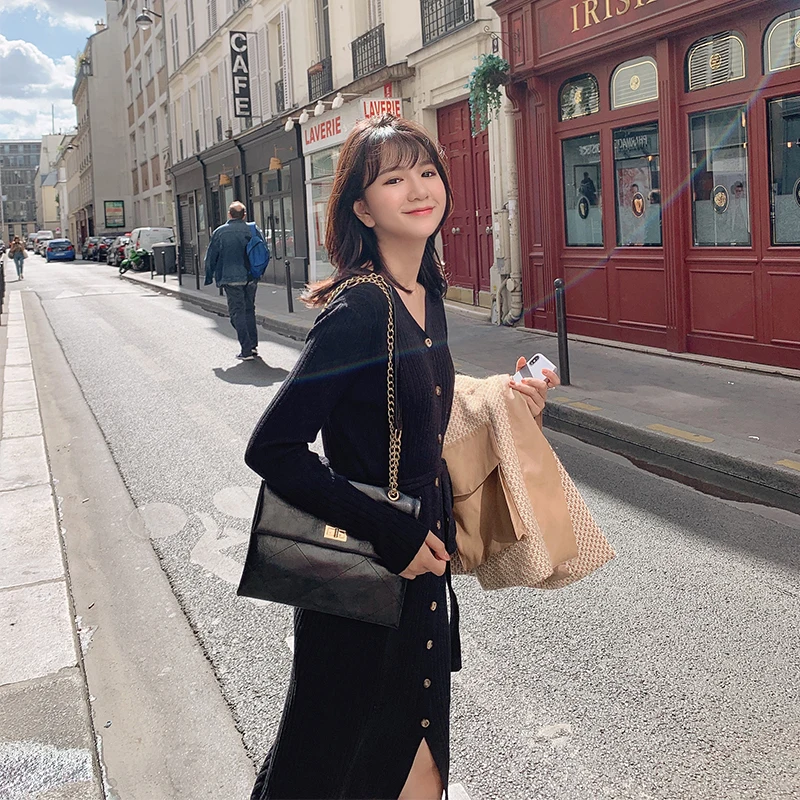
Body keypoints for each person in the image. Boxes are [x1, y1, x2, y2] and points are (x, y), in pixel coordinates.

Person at [243, 115, 557, 800]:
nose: (417, 189)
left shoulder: (426, 295)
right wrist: (391, 530)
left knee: (420, 775)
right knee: (326, 772)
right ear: (362, 208)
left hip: (422, 579)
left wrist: (511, 403)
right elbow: (273, 448)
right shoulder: (359, 310)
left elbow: (422, 415)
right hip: (364, 586)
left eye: (426, 172)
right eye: (392, 179)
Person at [204, 201, 264, 360]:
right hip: (251, 277)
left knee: (237, 313)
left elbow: (211, 257)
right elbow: (263, 252)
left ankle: (246, 350)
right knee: (249, 310)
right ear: (244, 215)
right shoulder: (252, 229)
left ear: (229, 215)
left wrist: (209, 276)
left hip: (230, 278)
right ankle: (252, 346)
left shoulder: (220, 232)